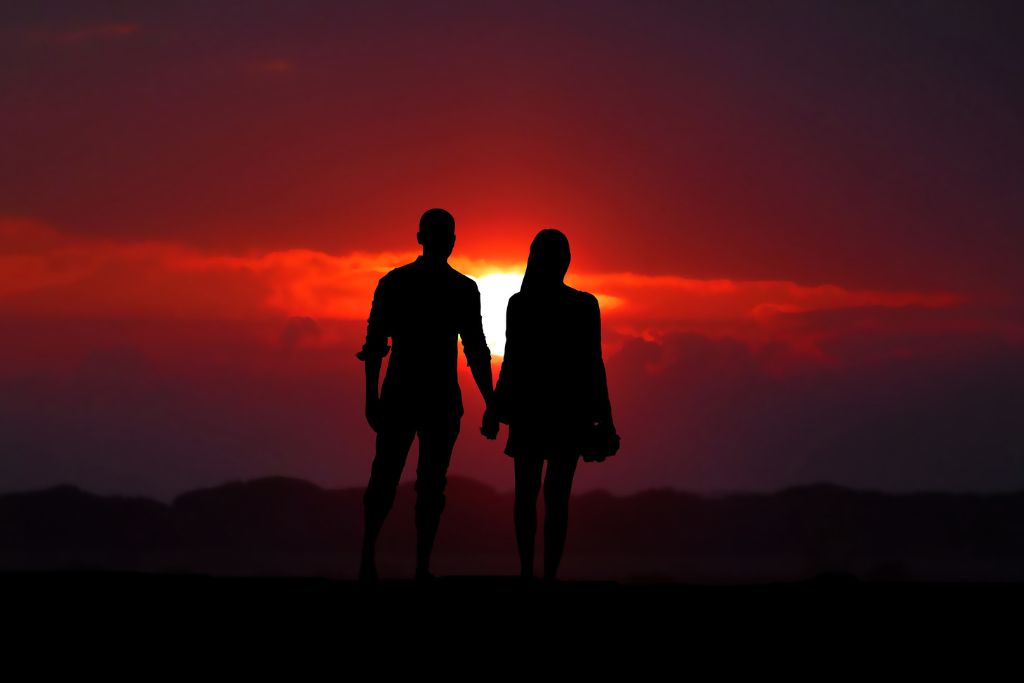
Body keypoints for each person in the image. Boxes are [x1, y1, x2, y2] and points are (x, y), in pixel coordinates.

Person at [357, 208, 495, 581]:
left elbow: (374, 346)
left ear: (422, 238)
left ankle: (378, 560)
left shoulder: (396, 283)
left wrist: (371, 398)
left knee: (393, 478)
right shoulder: (459, 289)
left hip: (409, 395)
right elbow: (476, 350)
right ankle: (411, 565)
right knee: (424, 483)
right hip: (432, 398)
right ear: (448, 241)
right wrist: (490, 402)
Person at [484, 228, 619, 582]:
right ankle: (545, 576)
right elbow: (593, 365)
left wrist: (496, 409)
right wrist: (605, 420)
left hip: (535, 411)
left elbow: (512, 361)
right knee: (554, 497)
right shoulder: (582, 305)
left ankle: (530, 573)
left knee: (529, 495)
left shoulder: (522, 303)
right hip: (565, 413)